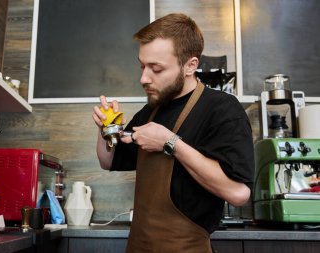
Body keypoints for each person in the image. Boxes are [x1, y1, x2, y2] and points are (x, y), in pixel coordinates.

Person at [92, 13, 254, 253]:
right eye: (142, 66)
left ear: (191, 65)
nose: (143, 78)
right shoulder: (150, 111)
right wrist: (106, 130)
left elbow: (238, 193)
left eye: (156, 68)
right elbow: (109, 161)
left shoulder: (221, 109)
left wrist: (170, 142)